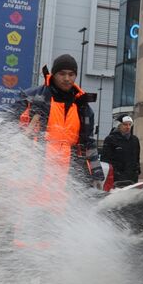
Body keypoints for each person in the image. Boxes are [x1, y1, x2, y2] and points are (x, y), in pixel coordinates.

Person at [18, 54, 105, 194]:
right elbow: (12, 130)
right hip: (34, 176)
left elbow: (88, 144)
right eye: (62, 74)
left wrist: (97, 175)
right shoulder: (32, 99)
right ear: (53, 74)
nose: (67, 78)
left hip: (68, 179)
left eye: (71, 74)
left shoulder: (83, 108)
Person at [100, 115, 141, 187]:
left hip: (132, 178)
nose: (128, 127)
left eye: (129, 124)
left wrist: (137, 170)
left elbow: (137, 157)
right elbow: (105, 160)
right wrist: (115, 173)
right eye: (125, 124)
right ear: (119, 125)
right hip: (117, 179)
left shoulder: (135, 140)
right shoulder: (110, 139)